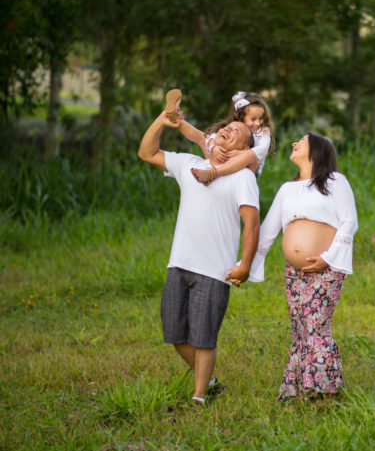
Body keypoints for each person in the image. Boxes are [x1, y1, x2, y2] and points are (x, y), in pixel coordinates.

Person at [138, 107, 261, 406]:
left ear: (244, 148)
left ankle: (199, 397)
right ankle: (211, 381)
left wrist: (244, 265)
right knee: (175, 332)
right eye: (228, 127)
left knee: (204, 336)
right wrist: (162, 121)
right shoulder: (189, 163)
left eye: (238, 131)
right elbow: (147, 153)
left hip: (215, 269)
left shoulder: (243, 177)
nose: (229, 130)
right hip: (179, 262)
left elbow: (251, 224)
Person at [250, 133, 358, 402]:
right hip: (294, 272)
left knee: (315, 324)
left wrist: (329, 257)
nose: (294, 143)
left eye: (302, 141)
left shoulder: (334, 181)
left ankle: (326, 392)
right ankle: (300, 390)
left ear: (317, 151)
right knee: (300, 328)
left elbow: (349, 222)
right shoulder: (288, 188)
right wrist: (246, 265)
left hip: (327, 267)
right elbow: (267, 231)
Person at [177, 91, 275, 185]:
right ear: (241, 117)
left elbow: (262, 149)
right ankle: (175, 119)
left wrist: (240, 153)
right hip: (225, 158)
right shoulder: (233, 125)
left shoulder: (263, 131)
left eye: (261, 118)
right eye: (253, 119)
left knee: (250, 155)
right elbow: (213, 135)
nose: (258, 123)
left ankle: (212, 173)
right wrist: (213, 147)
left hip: (248, 167)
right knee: (203, 137)